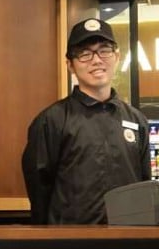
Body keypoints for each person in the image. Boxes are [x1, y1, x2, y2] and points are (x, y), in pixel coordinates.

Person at [22, 18, 150, 224]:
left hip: (128, 242)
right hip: (70, 247)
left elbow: (144, 185)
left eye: (104, 50)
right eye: (84, 53)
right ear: (70, 65)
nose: (97, 60)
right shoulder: (51, 120)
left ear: (117, 57)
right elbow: (39, 192)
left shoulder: (136, 120)